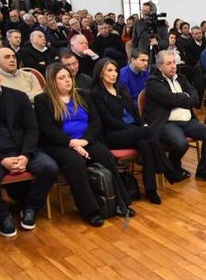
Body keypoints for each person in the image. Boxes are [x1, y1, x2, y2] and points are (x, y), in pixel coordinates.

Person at [34, 63, 134, 227]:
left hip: (85, 140)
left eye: (68, 76)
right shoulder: (42, 100)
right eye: (61, 78)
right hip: (60, 144)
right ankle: (91, 211)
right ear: (52, 81)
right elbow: (48, 129)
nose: (67, 80)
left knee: (105, 156)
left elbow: (95, 121)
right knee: (75, 162)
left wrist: (85, 141)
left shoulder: (83, 94)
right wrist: (72, 143)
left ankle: (121, 203)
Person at [90, 58, 181, 204]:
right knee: (148, 133)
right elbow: (109, 121)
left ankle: (151, 190)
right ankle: (169, 170)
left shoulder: (120, 89)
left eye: (115, 70)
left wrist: (142, 125)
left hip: (132, 131)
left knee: (146, 144)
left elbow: (135, 112)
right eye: (109, 71)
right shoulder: (96, 94)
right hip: (112, 135)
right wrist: (138, 129)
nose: (114, 74)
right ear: (100, 73)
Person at [0, 60, 58, 238]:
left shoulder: (18, 96)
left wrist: (25, 155)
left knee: (50, 167)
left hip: (22, 150)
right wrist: (1, 160)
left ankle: (31, 207)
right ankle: (2, 216)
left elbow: (32, 128)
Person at [143, 50, 206, 183]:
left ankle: (203, 172)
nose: (173, 66)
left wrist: (182, 98)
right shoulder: (153, 82)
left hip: (187, 121)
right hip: (167, 123)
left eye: (174, 62)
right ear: (160, 66)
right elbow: (170, 99)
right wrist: (184, 97)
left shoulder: (181, 78)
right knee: (180, 144)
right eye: (168, 63)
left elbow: (196, 98)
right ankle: (172, 168)